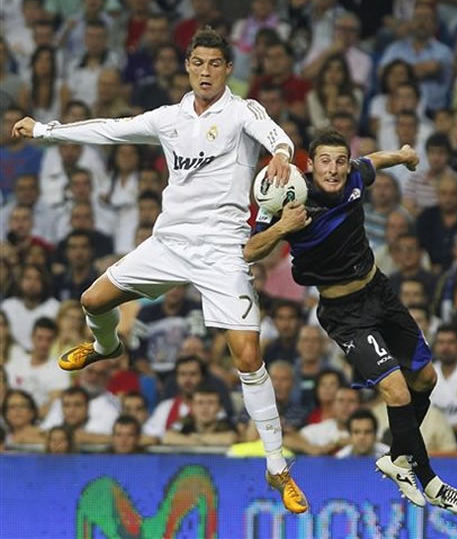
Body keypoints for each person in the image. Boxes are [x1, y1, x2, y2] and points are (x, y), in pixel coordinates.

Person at [13, 26, 307, 513]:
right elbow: (109, 128)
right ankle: (107, 346)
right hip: (169, 242)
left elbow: (276, 136)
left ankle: (277, 467)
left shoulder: (242, 111)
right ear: (188, 67)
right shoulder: (169, 118)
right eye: (199, 63)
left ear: (228, 69)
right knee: (92, 301)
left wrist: (279, 155)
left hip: (221, 250)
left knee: (247, 355)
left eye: (215, 64)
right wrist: (46, 130)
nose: (207, 72)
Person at [244, 130, 457, 513]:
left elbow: (374, 161)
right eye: (325, 161)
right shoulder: (291, 198)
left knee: (426, 379)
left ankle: (398, 458)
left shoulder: (354, 175)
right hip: (345, 314)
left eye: (340, 160)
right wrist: (283, 228)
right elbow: (250, 250)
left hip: (380, 293)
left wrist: (403, 155)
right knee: (398, 391)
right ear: (310, 165)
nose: (334, 169)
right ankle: (432, 482)